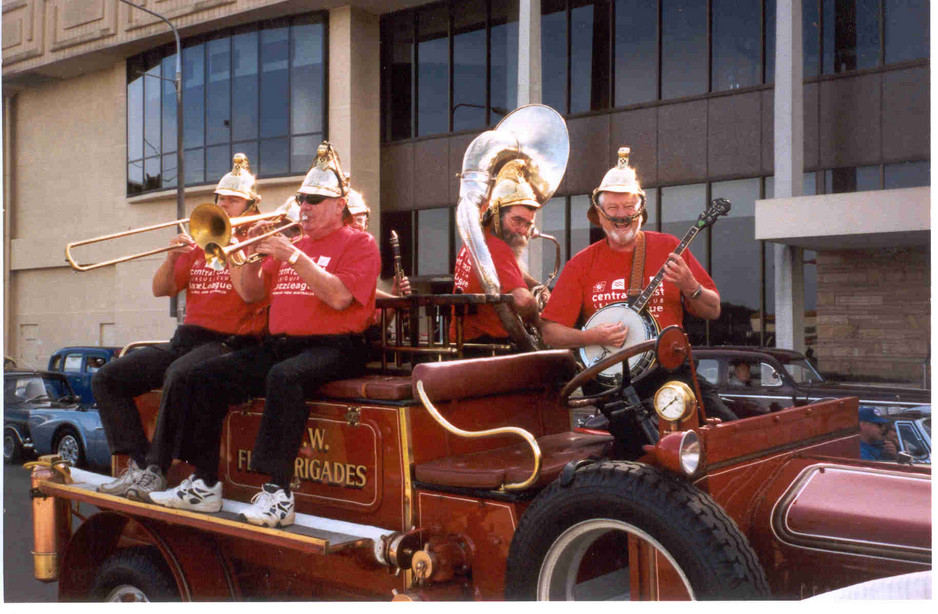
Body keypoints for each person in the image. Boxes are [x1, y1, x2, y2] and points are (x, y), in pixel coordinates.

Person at [147, 142, 380, 528]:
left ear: (340, 205)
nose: (304, 206)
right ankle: (204, 482)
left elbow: (339, 297)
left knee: (283, 376)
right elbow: (252, 292)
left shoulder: (359, 243)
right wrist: (241, 251)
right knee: (203, 376)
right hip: (284, 344)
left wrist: (293, 256)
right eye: (302, 198)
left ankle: (278, 494)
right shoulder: (294, 243)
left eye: (316, 200)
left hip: (338, 344)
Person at [94, 154, 267, 501]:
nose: (222, 204)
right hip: (187, 338)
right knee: (107, 378)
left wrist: (230, 248)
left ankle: (157, 470)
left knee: (178, 373)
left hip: (231, 342)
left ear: (251, 207)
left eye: (232, 199)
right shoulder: (202, 241)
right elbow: (162, 289)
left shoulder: (259, 245)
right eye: (220, 198)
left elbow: (251, 292)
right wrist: (173, 257)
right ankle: (140, 464)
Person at [540, 147, 721, 412]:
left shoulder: (669, 247)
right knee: (633, 450)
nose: (621, 216)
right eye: (612, 208)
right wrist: (592, 336)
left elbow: (713, 309)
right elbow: (550, 332)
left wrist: (690, 286)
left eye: (628, 207)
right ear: (600, 215)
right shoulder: (581, 263)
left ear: (640, 211)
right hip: (613, 386)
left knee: (725, 433)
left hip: (673, 373)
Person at [450, 159, 540, 349]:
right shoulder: (497, 247)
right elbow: (523, 301)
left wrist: (536, 285)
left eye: (528, 224)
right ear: (496, 215)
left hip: (466, 344)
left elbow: (499, 272)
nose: (523, 231)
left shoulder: (476, 243)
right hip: (487, 347)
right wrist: (540, 321)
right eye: (517, 221)